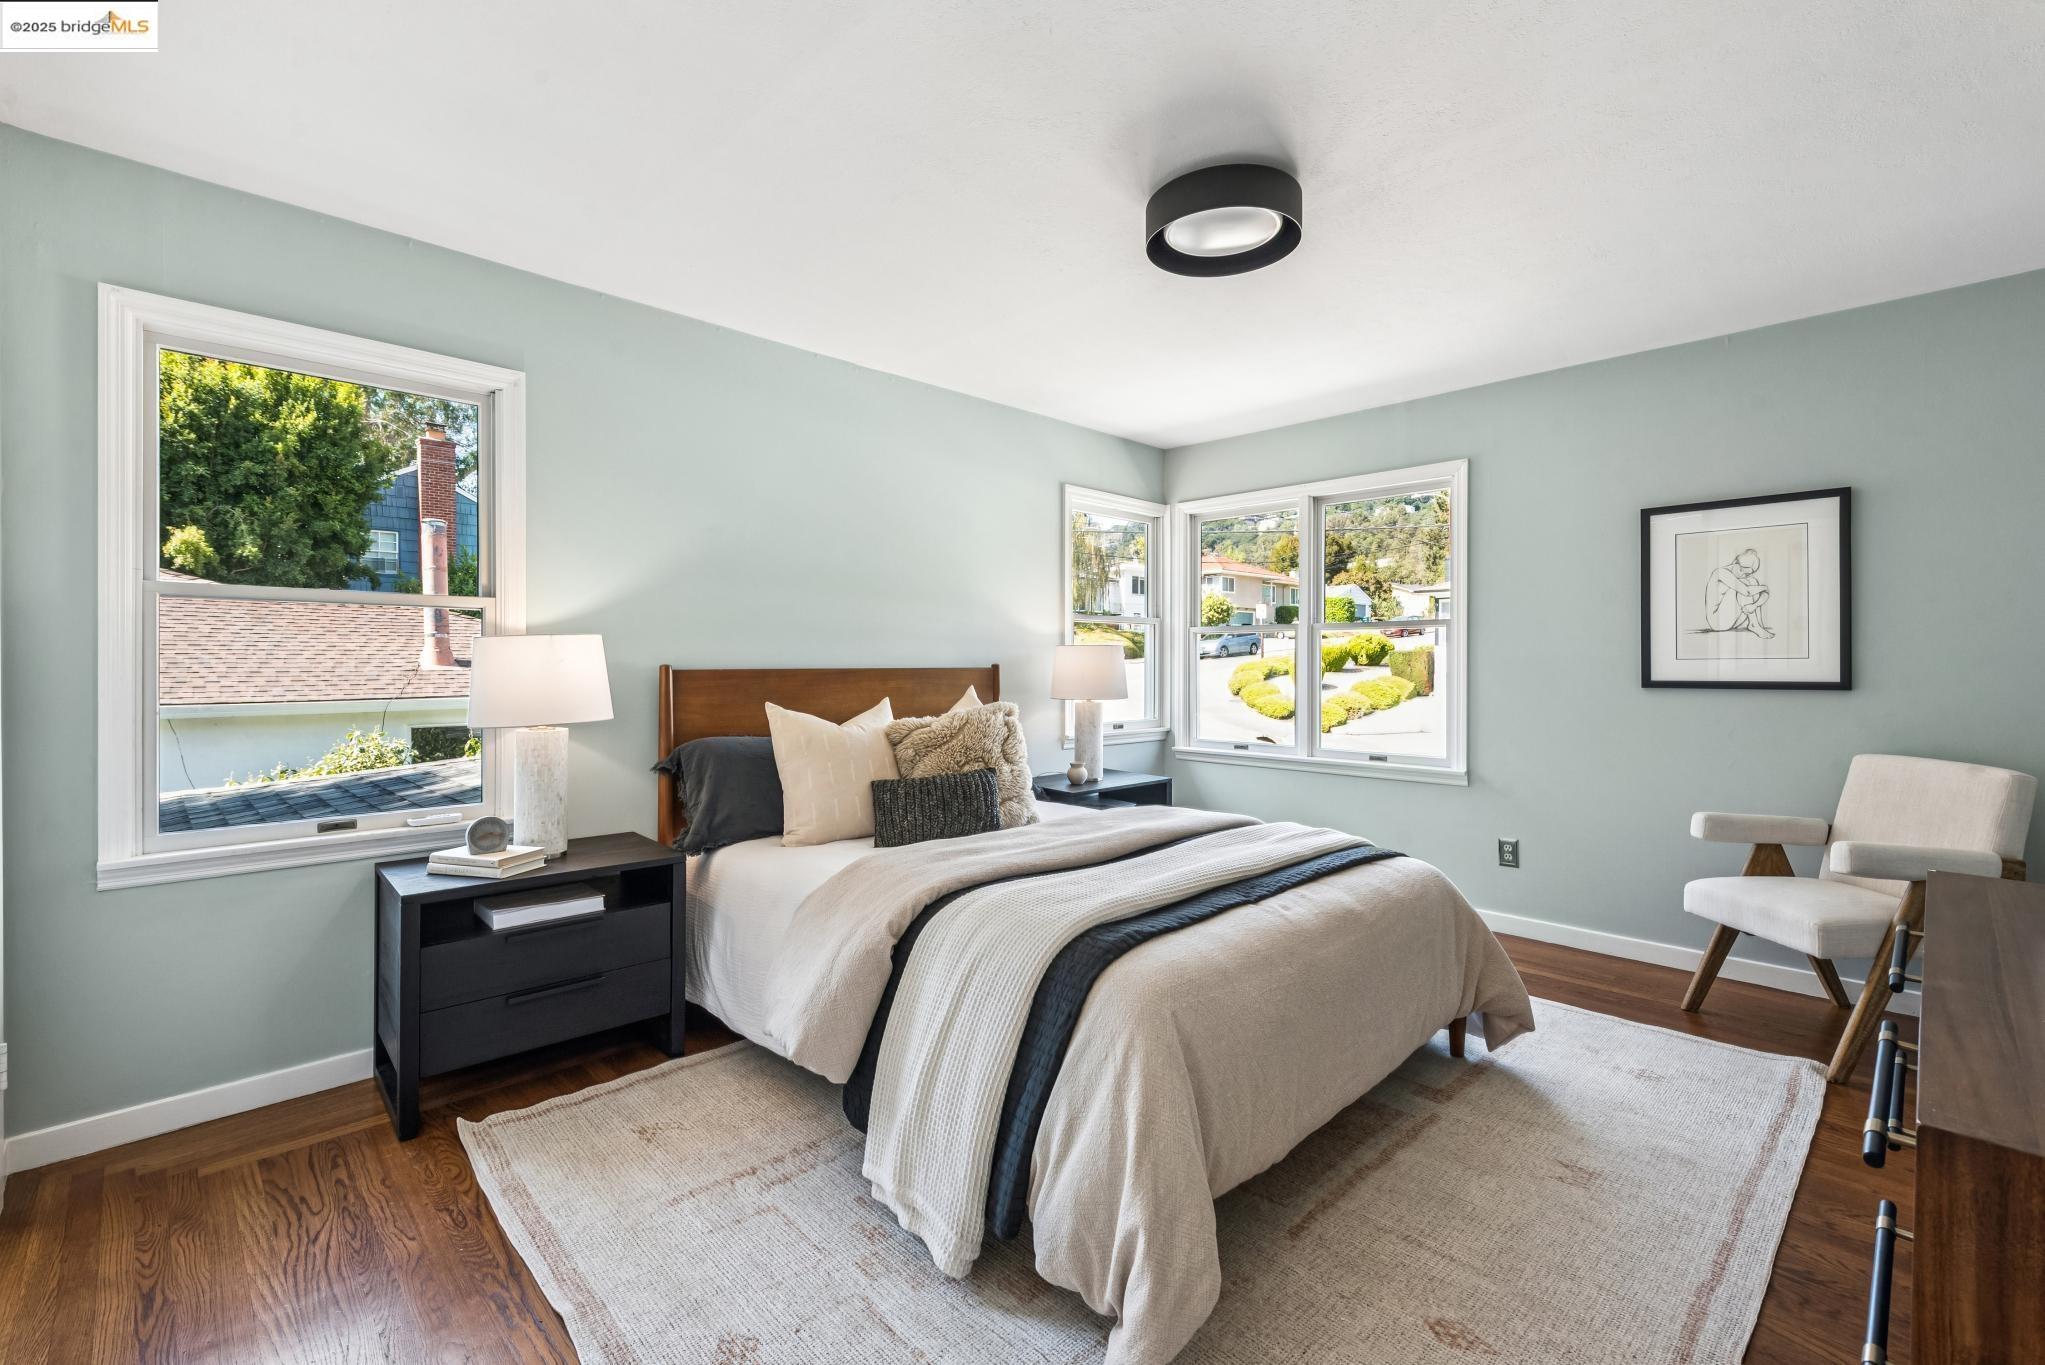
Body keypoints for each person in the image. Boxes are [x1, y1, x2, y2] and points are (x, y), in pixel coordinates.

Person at [1702, 548, 1773, 638]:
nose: (1743, 575)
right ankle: (1754, 625)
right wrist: (1765, 588)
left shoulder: (1747, 578)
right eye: (1741, 571)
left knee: (1752, 582)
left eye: (1747, 574)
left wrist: (1754, 605)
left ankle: (1757, 625)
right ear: (1735, 563)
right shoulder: (1720, 572)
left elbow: (1764, 594)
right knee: (1746, 586)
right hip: (1717, 621)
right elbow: (1747, 591)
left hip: (1734, 621)